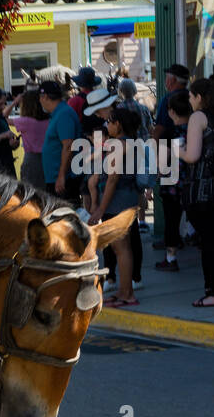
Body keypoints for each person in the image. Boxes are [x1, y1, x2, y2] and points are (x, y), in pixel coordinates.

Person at [175, 78, 214, 307]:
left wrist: (176, 151)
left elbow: (192, 155)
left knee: (209, 244)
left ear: (200, 97)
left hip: (203, 193)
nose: (190, 100)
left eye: (192, 96)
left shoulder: (198, 117)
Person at [89, 106, 143, 306]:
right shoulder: (131, 142)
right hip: (128, 197)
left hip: (117, 200)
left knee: (121, 249)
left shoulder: (117, 145)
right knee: (125, 247)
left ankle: (126, 294)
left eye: (109, 122)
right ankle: (125, 291)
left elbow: (112, 179)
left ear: (117, 124)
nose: (106, 125)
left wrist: (101, 208)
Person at [152, 63, 191, 272]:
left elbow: (159, 131)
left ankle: (171, 254)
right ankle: (188, 236)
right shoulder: (194, 98)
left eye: (167, 77)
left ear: (172, 80)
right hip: (191, 165)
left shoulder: (169, 100)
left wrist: (157, 161)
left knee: (171, 210)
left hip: (172, 162)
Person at [39, 79, 81, 200]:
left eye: (40, 97)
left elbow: (68, 145)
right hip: (56, 177)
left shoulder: (64, 114)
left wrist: (61, 176)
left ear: (45, 97)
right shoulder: (58, 113)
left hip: (64, 180)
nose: (39, 101)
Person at [11, 89, 49, 189]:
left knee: (30, 192)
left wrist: (14, 102)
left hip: (32, 159)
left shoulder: (25, 121)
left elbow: (3, 117)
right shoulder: (49, 119)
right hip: (48, 158)